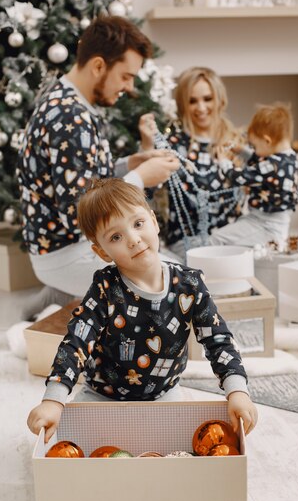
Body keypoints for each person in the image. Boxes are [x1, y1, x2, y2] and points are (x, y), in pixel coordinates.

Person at [27, 178, 258, 442]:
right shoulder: (105, 287)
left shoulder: (190, 284)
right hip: (104, 395)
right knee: (75, 442)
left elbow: (219, 340)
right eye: (116, 236)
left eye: (138, 224)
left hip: (164, 394)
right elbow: (76, 342)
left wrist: (237, 391)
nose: (134, 240)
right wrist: (53, 400)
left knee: (174, 449)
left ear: (154, 222)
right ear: (102, 252)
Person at [17, 15, 180, 308]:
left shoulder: (72, 102)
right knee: (172, 282)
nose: (129, 87)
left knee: (173, 267)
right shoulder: (70, 117)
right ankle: (61, 300)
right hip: (66, 251)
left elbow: (83, 177)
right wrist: (141, 177)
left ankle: (64, 297)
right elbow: (79, 212)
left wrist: (129, 164)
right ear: (98, 66)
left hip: (72, 248)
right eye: (126, 76)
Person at [139, 66, 244, 262]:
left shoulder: (237, 143)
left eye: (207, 98)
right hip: (187, 247)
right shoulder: (173, 147)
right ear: (183, 104)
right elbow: (146, 193)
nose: (201, 108)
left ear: (219, 99)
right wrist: (146, 144)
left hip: (231, 244)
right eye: (192, 101)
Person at [210, 102, 298, 247]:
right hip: (270, 221)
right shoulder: (289, 158)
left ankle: (205, 269)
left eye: (255, 146)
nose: (255, 150)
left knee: (216, 239)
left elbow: (239, 177)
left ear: (267, 141)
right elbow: (261, 161)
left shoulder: (272, 165)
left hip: (266, 225)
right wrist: (241, 150)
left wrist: (223, 162)